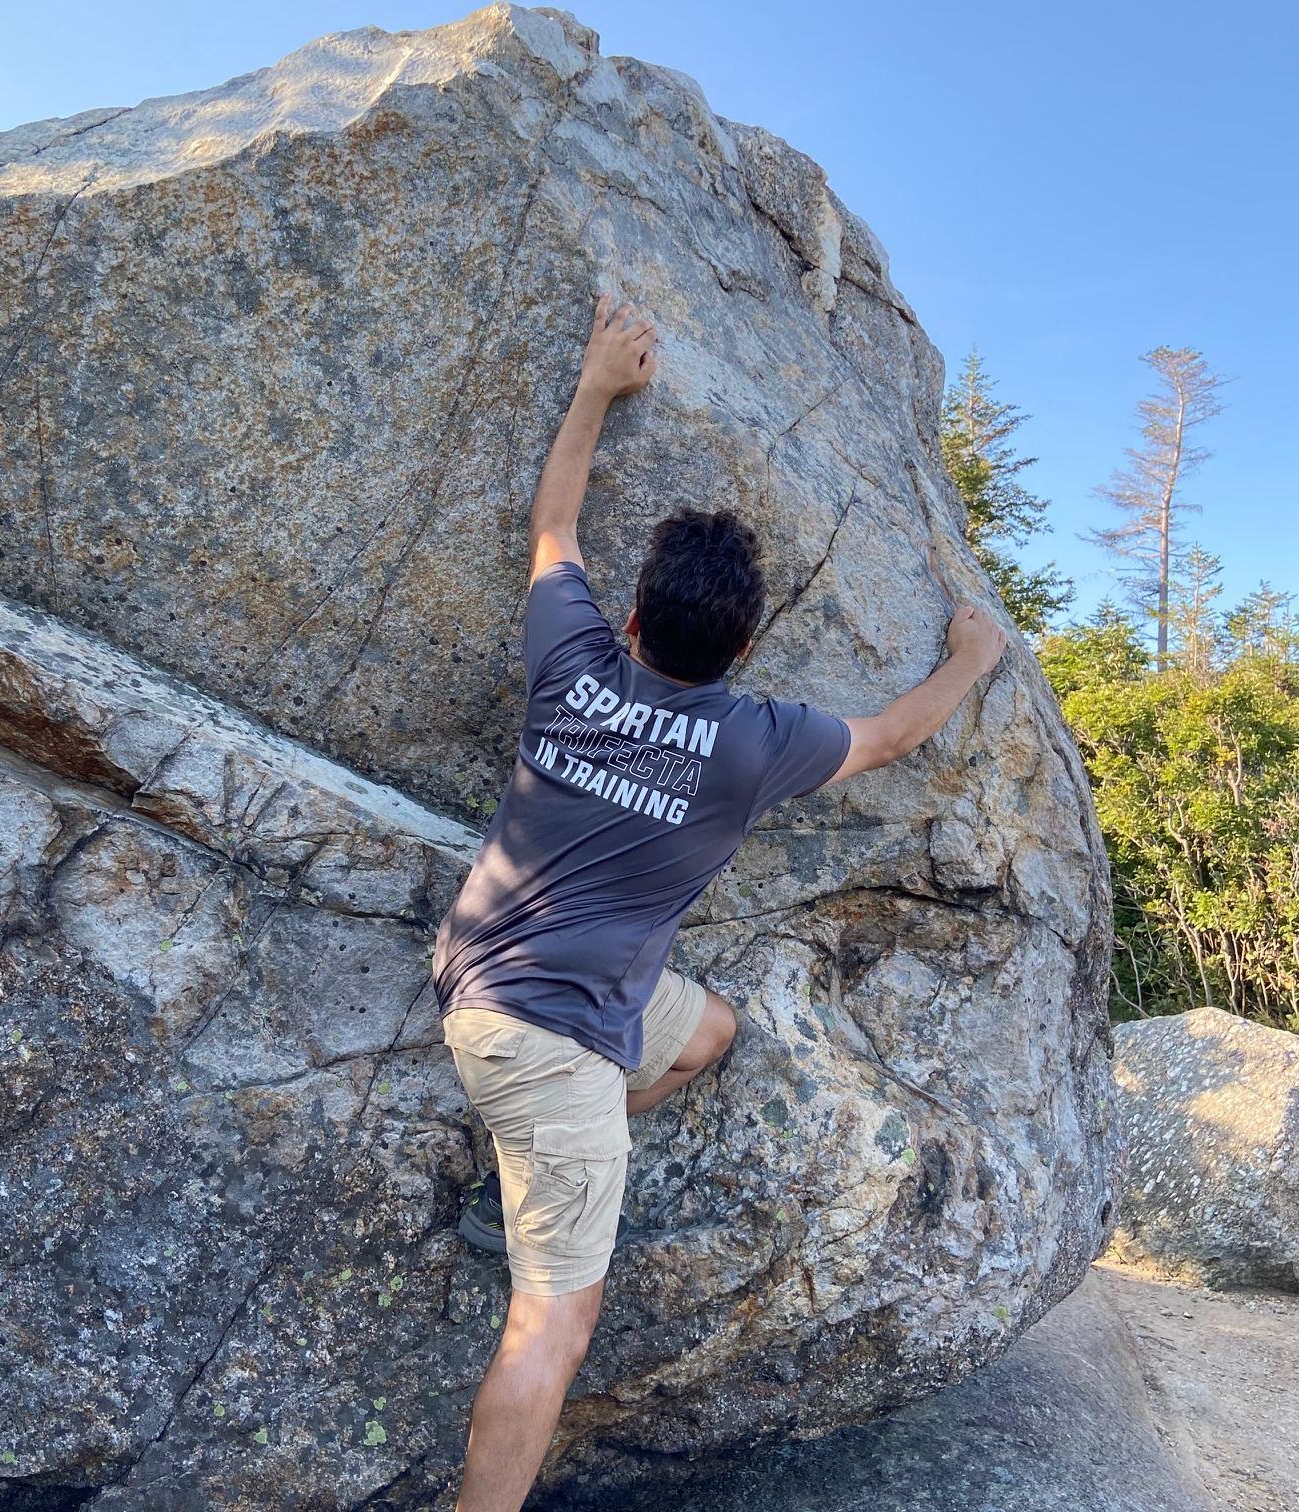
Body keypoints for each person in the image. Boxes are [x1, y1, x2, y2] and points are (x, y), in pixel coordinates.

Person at [429, 294, 1007, 1511]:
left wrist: (597, 384)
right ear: (746, 652)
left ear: (632, 620)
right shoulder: (754, 743)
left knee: (709, 1033)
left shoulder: (572, 663)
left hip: (486, 971)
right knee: (554, 1330)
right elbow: (896, 734)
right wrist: (971, 657)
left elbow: (552, 527)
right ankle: (537, 1195)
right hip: (548, 1041)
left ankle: (540, 1169)